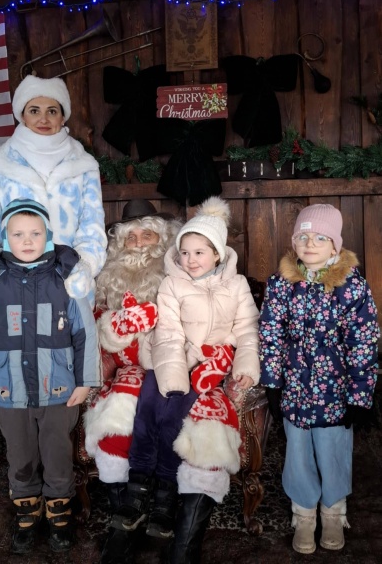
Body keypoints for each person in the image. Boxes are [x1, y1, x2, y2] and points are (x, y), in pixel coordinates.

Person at [111, 196, 260, 564]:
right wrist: (173, 375)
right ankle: (139, 484)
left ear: (218, 254)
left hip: (211, 362)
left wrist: (244, 365)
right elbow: (169, 333)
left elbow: (247, 331)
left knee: (175, 417)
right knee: (150, 407)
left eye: (200, 253)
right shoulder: (172, 284)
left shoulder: (237, 285)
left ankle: (166, 491)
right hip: (171, 358)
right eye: (185, 253)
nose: (191, 260)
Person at [0, 199, 101, 555]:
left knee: (56, 450)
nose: (26, 241)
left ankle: (59, 511)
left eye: (35, 233)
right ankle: (26, 509)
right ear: (5, 238)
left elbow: (85, 333)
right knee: (19, 451)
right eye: (18, 234)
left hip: (59, 389)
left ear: (48, 236)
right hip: (9, 390)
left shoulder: (66, 281)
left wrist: (84, 380)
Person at [259, 203, 380, 555]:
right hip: (295, 388)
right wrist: (272, 382)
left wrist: (360, 396)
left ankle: (333, 511)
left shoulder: (351, 286)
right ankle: (303, 513)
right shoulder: (281, 284)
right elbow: (270, 334)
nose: (310, 244)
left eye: (320, 238)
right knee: (297, 451)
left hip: (335, 391)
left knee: (333, 450)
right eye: (303, 237)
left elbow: (363, 342)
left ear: (335, 245)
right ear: (294, 242)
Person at [84, 198, 181, 564]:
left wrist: (154, 323)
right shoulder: (106, 280)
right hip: (125, 369)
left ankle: (164, 508)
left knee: (167, 410)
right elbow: (92, 326)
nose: (139, 244)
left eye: (147, 236)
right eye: (131, 237)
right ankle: (123, 517)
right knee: (117, 413)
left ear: (162, 239)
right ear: (118, 244)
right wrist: (115, 328)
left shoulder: (178, 273)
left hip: (170, 368)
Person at [0, 75, 107, 304]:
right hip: (13, 284)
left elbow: (92, 226)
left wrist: (83, 267)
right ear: (22, 115)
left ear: (63, 116)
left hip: (69, 285)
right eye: (34, 110)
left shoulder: (84, 165)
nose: (43, 118)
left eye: (52, 111)